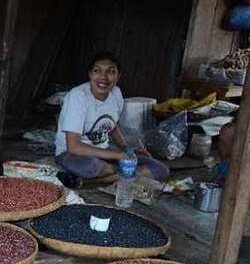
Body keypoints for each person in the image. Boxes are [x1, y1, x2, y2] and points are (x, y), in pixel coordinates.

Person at [55, 52, 169, 184]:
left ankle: (111, 177)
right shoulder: (78, 97)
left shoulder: (116, 94)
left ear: (118, 76)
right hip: (72, 154)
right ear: (90, 74)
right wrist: (118, 155)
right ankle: (122, 175)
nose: (103, 77)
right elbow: (74, 147)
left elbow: (111, 124)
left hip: (103, 151)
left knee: (161, 169)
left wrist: (125, 148)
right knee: (91, 167)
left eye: (111, 71)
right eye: (97, 71)